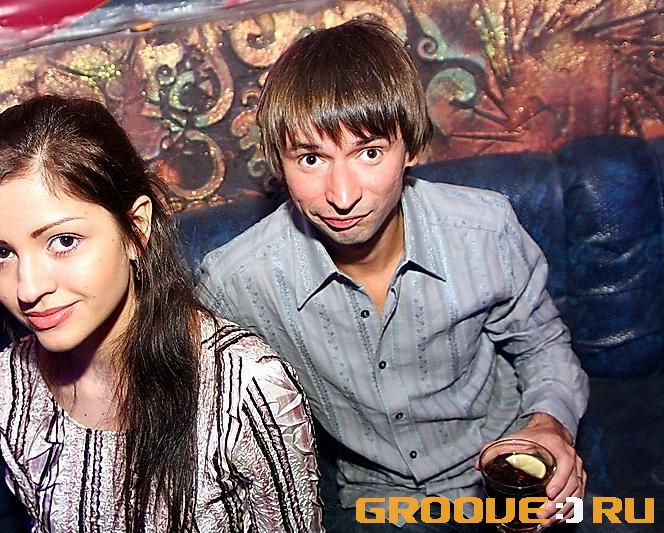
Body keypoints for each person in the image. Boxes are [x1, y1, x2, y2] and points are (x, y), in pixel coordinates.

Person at [197, 19, 589, 532]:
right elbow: (207, 422)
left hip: (504, 464)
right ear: (279, 163)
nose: (342, 196)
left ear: (412, 148)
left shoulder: (484, 230)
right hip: (376, 500)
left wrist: (549, 425)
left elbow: (542, 344)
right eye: (311, 158)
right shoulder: (235, 283)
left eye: (369, 153)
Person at [0, 95, 323, 532]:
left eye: (64, 241)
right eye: (0, 253)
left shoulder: (245, 387)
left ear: (136, 229)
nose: (28, 288)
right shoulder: (16, 381)